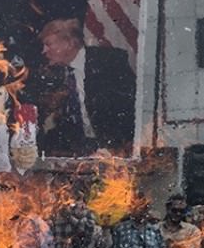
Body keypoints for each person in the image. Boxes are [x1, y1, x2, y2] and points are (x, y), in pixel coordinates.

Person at [37, 18, 135, 156]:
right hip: (82, 152)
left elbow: (128, 108)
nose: (44, 51)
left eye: (48, 44)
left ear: (69, 43)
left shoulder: (108, 62)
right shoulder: (55, 75)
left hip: (117, 151)